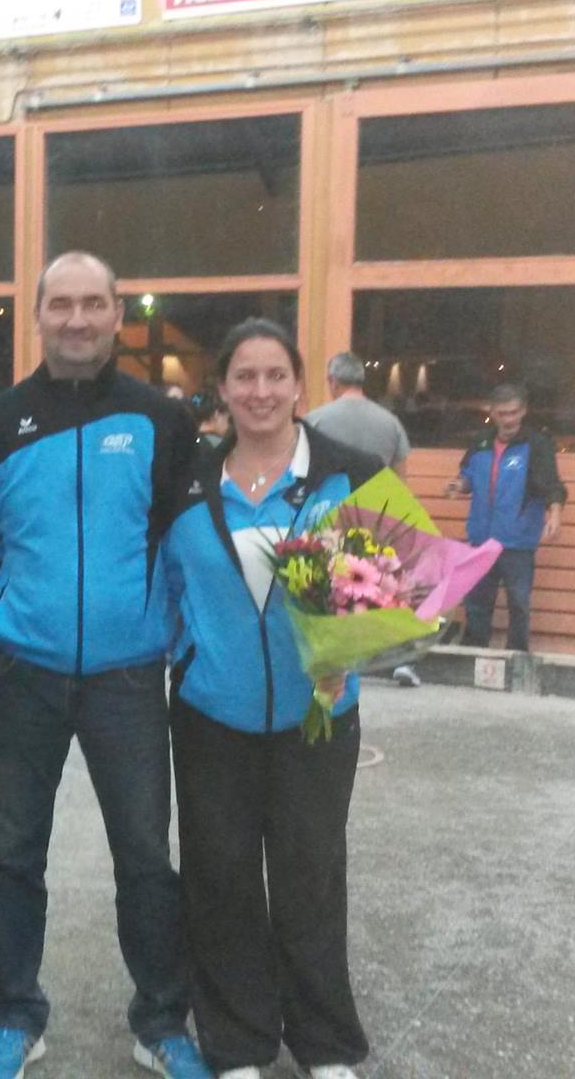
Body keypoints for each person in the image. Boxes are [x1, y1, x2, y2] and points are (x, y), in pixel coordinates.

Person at [0, 251, 210, 1079]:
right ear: (37, 314)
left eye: (93, 304)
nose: (76, 319)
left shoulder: (159, 420)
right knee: (12, 851)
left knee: (143, 852)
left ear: (116, 314)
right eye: (60, 304)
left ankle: (161, 1018)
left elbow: (190, 543)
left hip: (130, 677)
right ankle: (17, 1018)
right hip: (24, 672)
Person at [164, 320, 375, 1079]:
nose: (259, 392)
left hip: (316, 717)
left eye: (274, 376)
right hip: (210, 715)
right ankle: (238, 1045)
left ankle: (326, 1046)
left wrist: (351, 655)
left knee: (309, 876)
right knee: (219, 879)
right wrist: (181, 656)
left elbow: (389, 587)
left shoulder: (351, 469)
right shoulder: (185, 479)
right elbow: (165, 592)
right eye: (244, 377)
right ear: (222, 390)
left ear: (298, 385)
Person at [304, 351, 420, 687]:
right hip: (377, 515)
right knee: (386, 587)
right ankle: (400, 659)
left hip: (332, 518)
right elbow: (400, 481)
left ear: (333, 382)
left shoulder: (316, 420)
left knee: (332, 589)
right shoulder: (390, 422)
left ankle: (334, 654)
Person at [445, 384, 566, 651]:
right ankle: (474, 655)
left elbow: (552, 485)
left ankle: (517, 656)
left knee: (519, 603)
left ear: (523, 411)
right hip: (481, 538)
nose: (509, 419)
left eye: (514, 412)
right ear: (492, 413)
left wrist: (554, 515)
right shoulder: (480, 443)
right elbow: (467, 477)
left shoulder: (537, 444)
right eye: (502, 413)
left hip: (517, 541)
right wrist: (458, 485)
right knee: (476, 602)